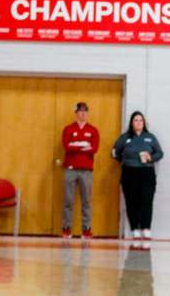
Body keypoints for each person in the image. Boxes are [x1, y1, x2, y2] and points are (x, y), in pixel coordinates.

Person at [111, 111, 164, 241]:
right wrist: (126, 161)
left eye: (141, 120)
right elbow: (114, 152)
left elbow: (160, 153)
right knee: (131, 202)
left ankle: (146, 229)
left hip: (147, 173)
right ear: (131, 123)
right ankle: (135, 229)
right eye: (136, 120)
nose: (138, 122)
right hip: (129, 173)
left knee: (146, 200)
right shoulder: (125, 137)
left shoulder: (150, 137)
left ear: (144, 123)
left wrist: (150, 158)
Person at [61, 101, 99, 239]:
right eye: (80, 111)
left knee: (86, 201)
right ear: (76, 113)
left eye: (85, 111)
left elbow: (94, 149)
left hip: (86, 170)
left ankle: (86, 229)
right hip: (70, 169)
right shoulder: (68, 129)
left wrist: (75, 144)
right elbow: (67, 146)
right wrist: (83, 145)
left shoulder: (93, 130)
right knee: (68, 201)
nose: (83, 113)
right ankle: (66, 228)